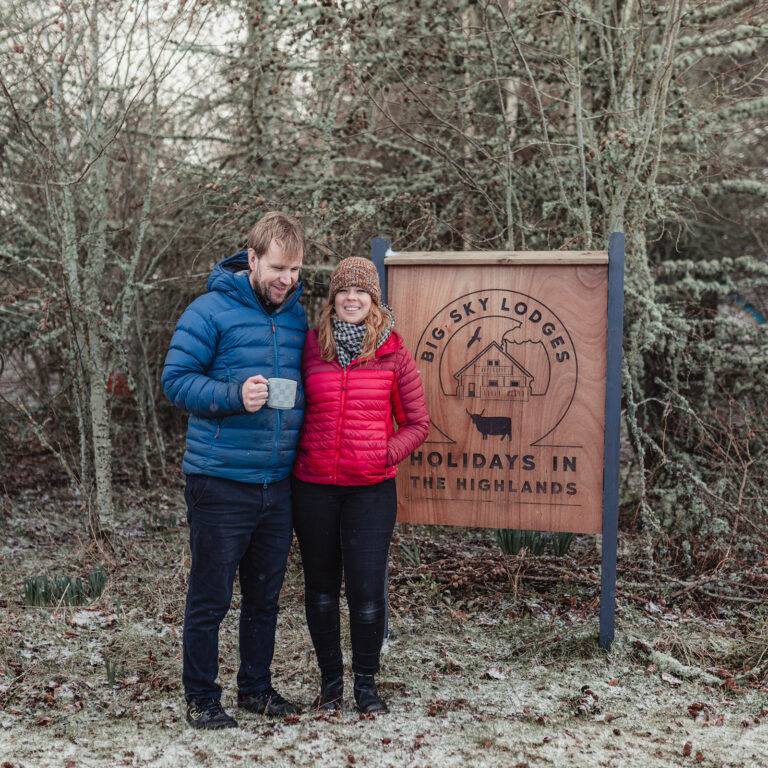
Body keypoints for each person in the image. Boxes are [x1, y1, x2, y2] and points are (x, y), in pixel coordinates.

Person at [162, 212, 307, 730]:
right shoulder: (208, 311)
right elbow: (175, 381)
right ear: (251, 259)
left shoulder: (297, 317)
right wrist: (232, 395)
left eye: (293, 269)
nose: (285, 279)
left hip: (277, 483)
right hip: (219, 481)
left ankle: (257, 690)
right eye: (276, 267)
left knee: (264, 599)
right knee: (210, 598)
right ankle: (201, 698)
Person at [292, 256, 429, 714]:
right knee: (321, 590)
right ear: (332, 300)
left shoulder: (394, 353)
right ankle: (331, 686)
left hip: (371, 492)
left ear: (374, 301)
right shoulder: (311, 347)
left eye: (361, 292)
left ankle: (366, 687)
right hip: (313, 488)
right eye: (344, 292)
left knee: (367, 592)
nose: (352, 299)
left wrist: (381, 455)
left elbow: (418, 424)